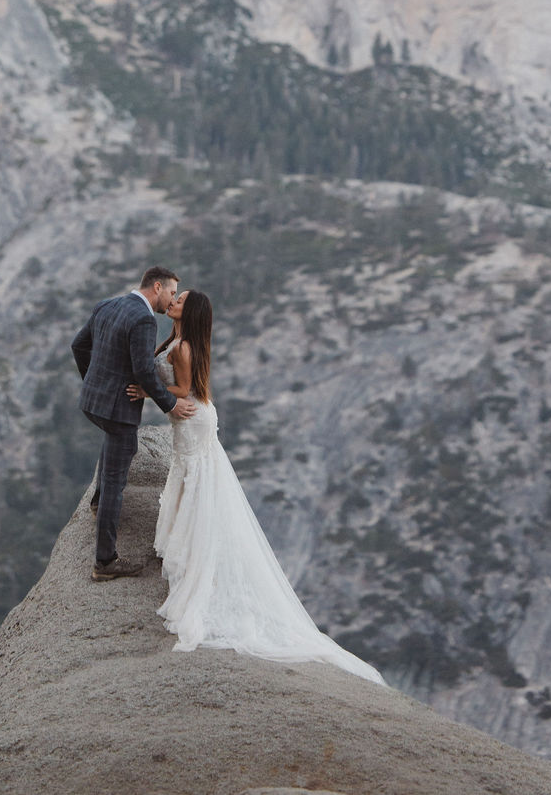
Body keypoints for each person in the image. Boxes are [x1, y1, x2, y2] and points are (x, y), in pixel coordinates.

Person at [127, 289, 384, 682]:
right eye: (174, 296)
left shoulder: (182, 347)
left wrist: (149, 391)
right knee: (193, 477)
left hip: (192, 418)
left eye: (181, 299)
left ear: (189, 311)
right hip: (193, 419)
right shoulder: (180, 341)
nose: (174, 300)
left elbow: (183, 391)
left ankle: (195, 551)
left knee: (194, 478)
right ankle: (191, 543)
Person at [72, 265, 196, 581]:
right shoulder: (143, 319)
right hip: (117, 408)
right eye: (171, 293)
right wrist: (170, 402)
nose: (171, 301)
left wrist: (94, 381)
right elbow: (143, 372)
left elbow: (79, 345)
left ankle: (99, 502)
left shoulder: (107, 304)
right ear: (157, 286)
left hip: (93, 403)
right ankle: (105, 561)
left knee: (118, 448)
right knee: (116, 477)